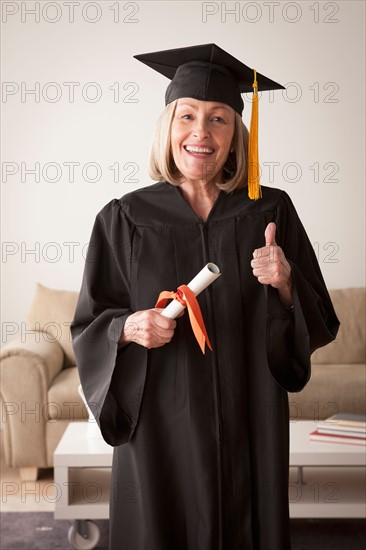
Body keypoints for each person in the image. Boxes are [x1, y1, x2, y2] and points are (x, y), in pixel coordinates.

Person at [71, 44, 339, 550]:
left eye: (219, 118)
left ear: (237, 133)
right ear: (167, 128)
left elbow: (318, 315)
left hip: (249, 409)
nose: (201, 132)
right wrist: (128, 328)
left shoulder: (270, 210)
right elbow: (89, 323)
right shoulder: (123, 219)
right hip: (161, 420)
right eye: (187, 116)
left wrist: (286, 283)